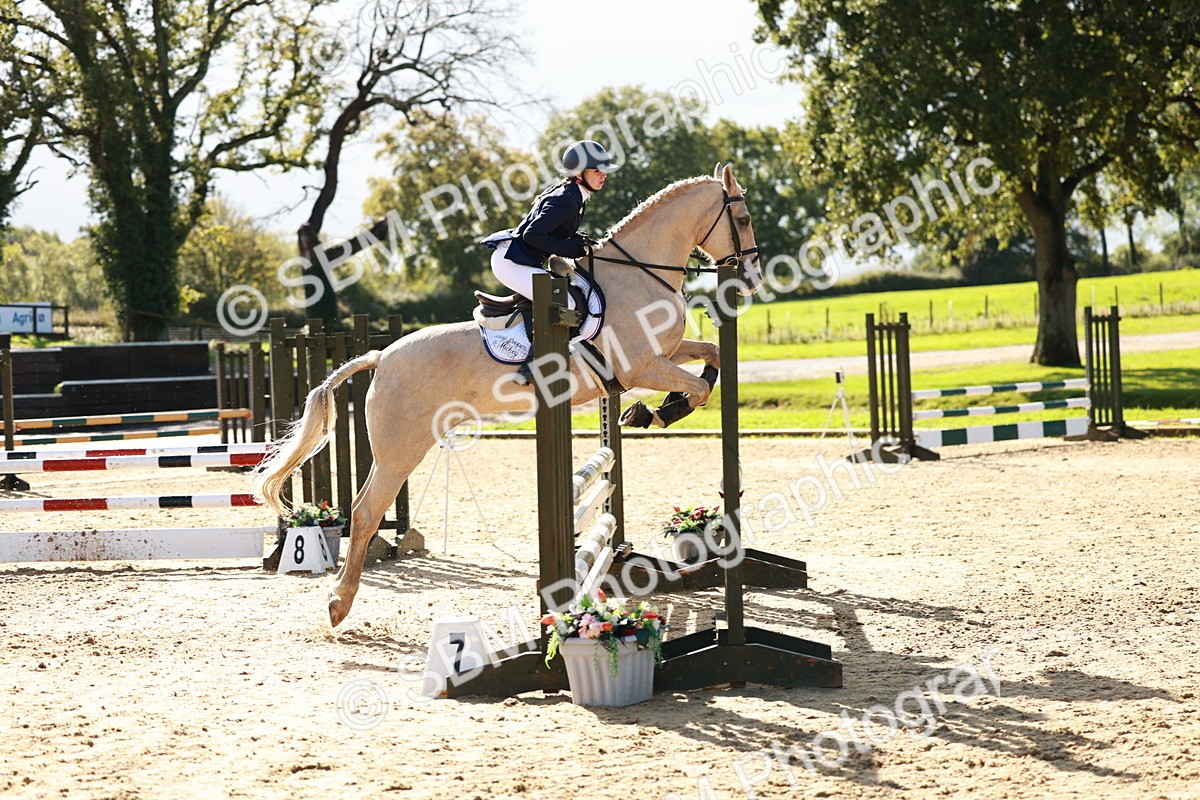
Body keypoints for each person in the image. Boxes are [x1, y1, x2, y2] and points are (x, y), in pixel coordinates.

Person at [481, 139, 616, 383]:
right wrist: (571, 248)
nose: (603, 175)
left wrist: (577, 241)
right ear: (579, 172)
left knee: (568, 295)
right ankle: (533, 363)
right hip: (510, 261)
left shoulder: (576, 195)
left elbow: (550, 233)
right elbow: (533, 234)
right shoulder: (566, 198)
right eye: (597, 170)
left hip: (520, 259)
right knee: (563, 301)